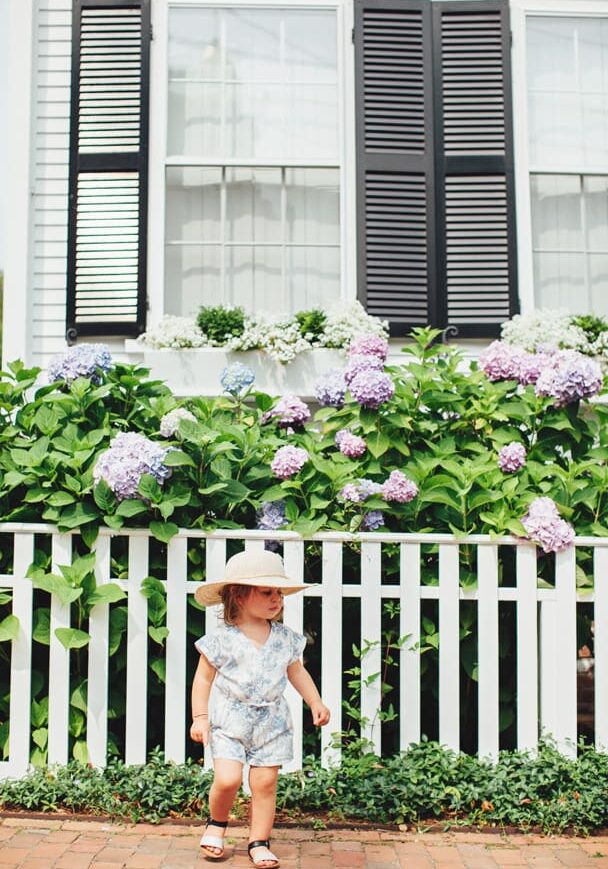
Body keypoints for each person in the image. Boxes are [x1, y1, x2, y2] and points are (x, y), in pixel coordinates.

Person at [190, 549, 330, 868]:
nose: (276, 599)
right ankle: (217, 823)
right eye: (267, 592)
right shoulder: (221, 640)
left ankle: (259, 840)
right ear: (238, 596)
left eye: (278, 593)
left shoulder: (285, 639)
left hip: (273, 722)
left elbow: (296, 671)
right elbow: (202, 680)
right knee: (227, 779)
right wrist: (200, 717)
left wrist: (315, 701)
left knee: (265, 784)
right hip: (230, 721)